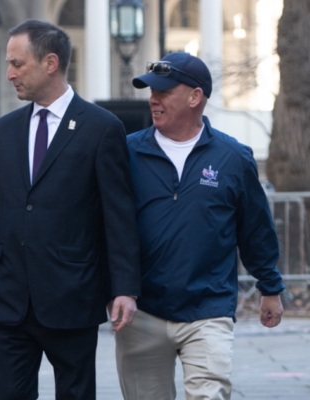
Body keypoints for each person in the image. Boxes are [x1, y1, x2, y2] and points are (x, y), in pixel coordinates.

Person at [0, 19, 140, 399]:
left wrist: (126, 288)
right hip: (9, 299)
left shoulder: (102, 128)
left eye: (18, 64)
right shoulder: (5, 129)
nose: (8, 74)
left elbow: (119, 216)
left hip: (72, 297)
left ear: (50, 63)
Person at [115, 52, 286, 400]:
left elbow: (255, 227)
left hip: (208, 310)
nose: (153, 99)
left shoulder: (233, 157)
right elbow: (108, 224)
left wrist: (271, 287)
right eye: (151, 91)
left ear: (195, 97)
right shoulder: (125, 152)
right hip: (142, 312)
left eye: (163, 91)